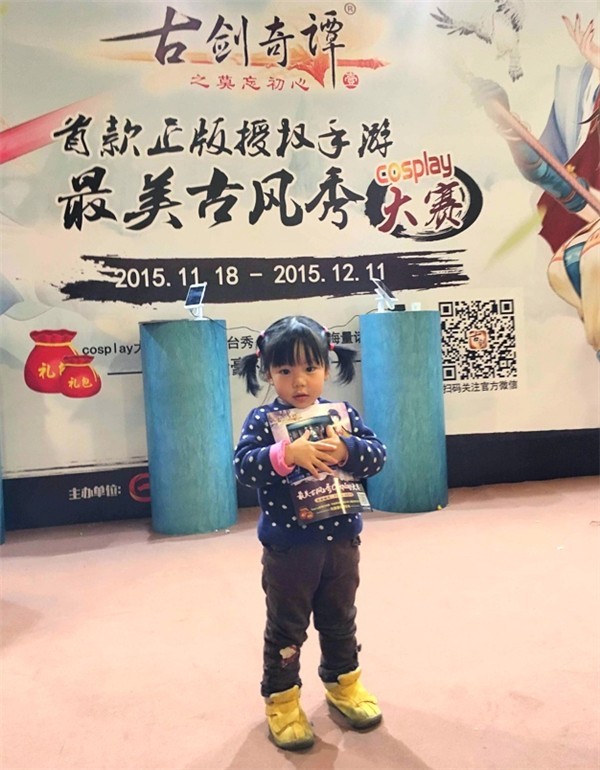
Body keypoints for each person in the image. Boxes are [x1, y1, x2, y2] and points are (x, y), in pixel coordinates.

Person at [233, 315, 387, 751]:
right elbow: (244, 467)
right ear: (268, 372)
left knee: (340, 620)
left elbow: (377, 456)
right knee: (287, 628)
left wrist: (347, 449)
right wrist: (285, 455)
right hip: (288, 550)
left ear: (326, 367)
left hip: (342, 544)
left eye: (310, 368)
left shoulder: (343, 416)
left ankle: (344, 685)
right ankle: (282, 702)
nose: (299, 381)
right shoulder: (263, 420)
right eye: (285, 370)